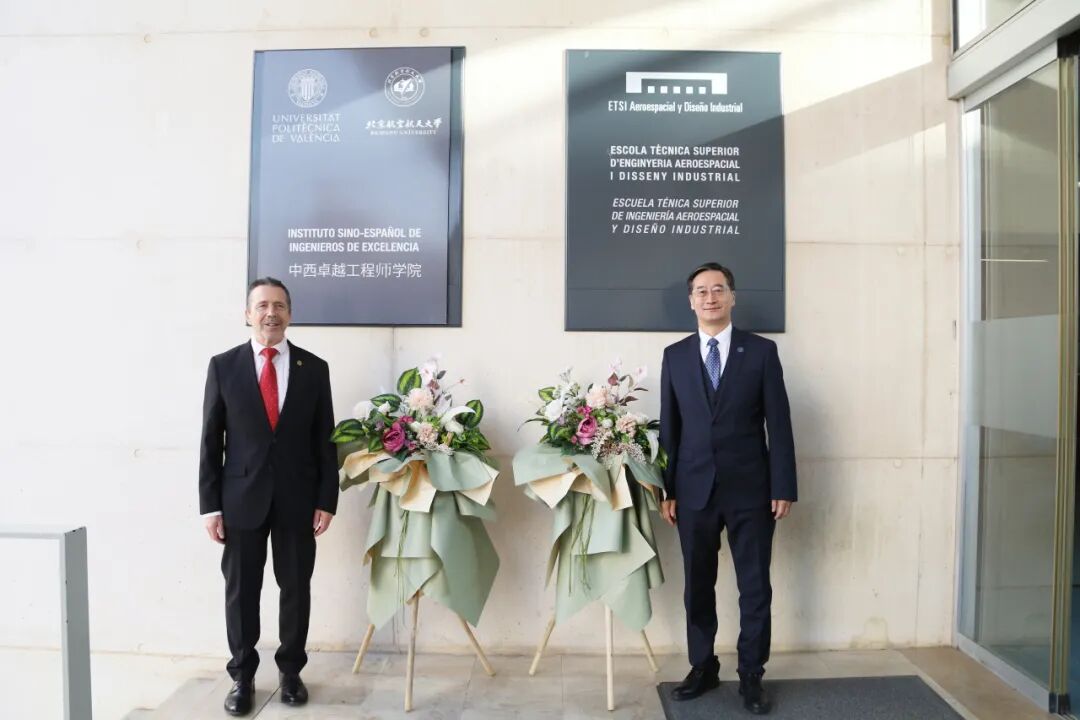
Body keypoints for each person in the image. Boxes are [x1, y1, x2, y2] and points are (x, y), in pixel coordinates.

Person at [659, 262, 796, 715]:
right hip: (692, 490)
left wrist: (783, 485)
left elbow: (779, 423)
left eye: (718, 289)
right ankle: (703, 666)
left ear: (732, 297)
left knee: (755, 587)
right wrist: (666, 489)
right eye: (701, 291)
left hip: (752, 491)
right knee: (698, 585)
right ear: (691, 301)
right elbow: (670, 429)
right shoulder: (675, 356)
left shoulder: (761, 352)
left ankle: (752, 674)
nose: (710, 297)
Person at [199, 277, 338, 716]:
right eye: (261, 306)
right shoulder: (224, 366)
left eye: (279, 305)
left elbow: (325, 441)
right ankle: (242, 677)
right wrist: (210, 506)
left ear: (290, 314)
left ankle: (291, 672)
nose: (270, 313)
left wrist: (327, 499)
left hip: (298, 499)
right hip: (240, 500)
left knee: (295, 587)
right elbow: (211, 441)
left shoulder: (314, 369)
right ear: (248, 314)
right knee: (242, 592)